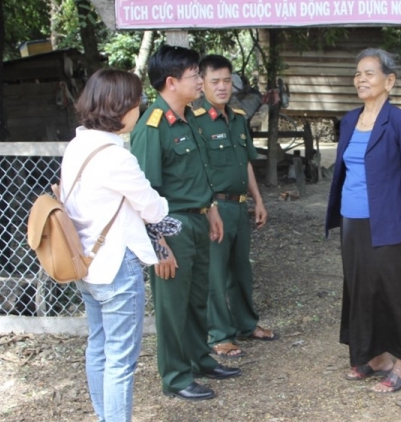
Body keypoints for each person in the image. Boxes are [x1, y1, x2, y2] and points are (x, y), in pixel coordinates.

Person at [60, 68, 181, 422]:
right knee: (120, 361)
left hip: (87, 261)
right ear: (120, 107)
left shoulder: (78, 145)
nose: (139, 109)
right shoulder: (116, 157)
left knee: (98, 347)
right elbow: (154, 207)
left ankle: (104, 417)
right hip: (116, 265)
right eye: (136, 102)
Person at [130, 45, 241, 401]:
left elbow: (197, 173)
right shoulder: (153, 126)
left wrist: (210, 210)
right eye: (194, 74)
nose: (199, 80)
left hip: (198, 221)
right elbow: (145, 192)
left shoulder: (191, 117)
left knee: (197, 299)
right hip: (171, 227)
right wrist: (159, 245)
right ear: (171, 81)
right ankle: (176, 377)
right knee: (172, 305)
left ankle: (199, 359)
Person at [324, 48, 401, 393]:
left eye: (369, 73)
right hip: (352, 219)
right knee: (359, 289)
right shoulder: (351, 120)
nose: (361, 80)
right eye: (358, 74)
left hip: (388, 221)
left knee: (391, 291)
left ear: (389, 81)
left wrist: (396, 212)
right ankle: (377, 357)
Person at [192, 54, 277, 359]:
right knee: (216, 274)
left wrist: (258, 200)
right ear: (201, 84)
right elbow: (196, 169)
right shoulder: (194, 119)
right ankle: (220, 335)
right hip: (213, 208)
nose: (223, 87)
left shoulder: (238, 117)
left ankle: (246, 324)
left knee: (241, 271)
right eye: (215, 81)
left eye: (227, 80)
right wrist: (207, 206)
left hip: (239, 207)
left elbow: (246, 164)